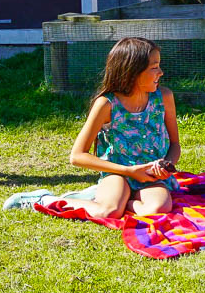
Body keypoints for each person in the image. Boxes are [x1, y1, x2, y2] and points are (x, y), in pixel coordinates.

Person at [63, 36, 181, 218]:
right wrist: (129, 171)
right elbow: (77, 156)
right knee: (109, 212)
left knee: (159, 209)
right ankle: (47, 199)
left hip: (150, 177)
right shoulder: (107, 104)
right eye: (154, 67)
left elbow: (175, 144)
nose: (161, 72)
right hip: (116, 174)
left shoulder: (164, 98)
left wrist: (166, 165)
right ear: (132, 71)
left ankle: (120, 201)